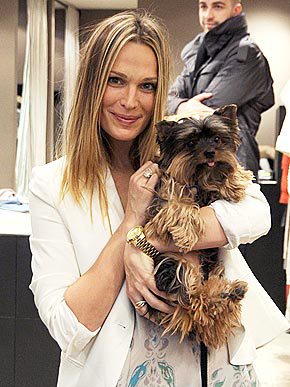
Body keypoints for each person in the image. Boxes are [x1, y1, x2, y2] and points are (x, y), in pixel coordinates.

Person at [29, 10, 288, 387]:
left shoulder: (179, 155)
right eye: (116, 81)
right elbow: (70, 326)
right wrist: (130, 229)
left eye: (148, 86)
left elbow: (255, 212)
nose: (131, 102)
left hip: (216, 368)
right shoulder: (52, 185)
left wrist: (150, 241)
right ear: (90, 85)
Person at [167, 0, 274, 180]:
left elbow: (208, 112)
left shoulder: (247, 54)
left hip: (232, 165)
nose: (208, 15)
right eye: (203, 6)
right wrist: (182, 107)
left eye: (218, 6)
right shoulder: (197, 53)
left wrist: (178, 106)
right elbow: (167, 98)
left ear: (236, 10)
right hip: (196, 163)